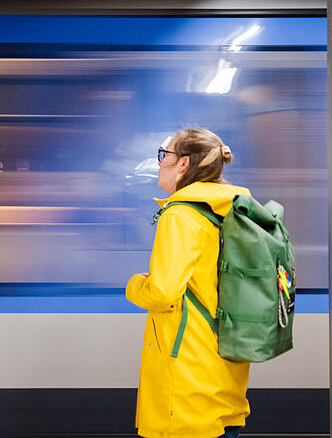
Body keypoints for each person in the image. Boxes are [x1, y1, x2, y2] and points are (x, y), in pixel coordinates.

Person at [126, 128, 250, 438]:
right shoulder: (229, 209)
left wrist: (134, 285)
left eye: (163, 155)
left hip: (183, 391)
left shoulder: (180, 215)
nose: (159, 163)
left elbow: (163, 293)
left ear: (183, 164)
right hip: (222, 377)